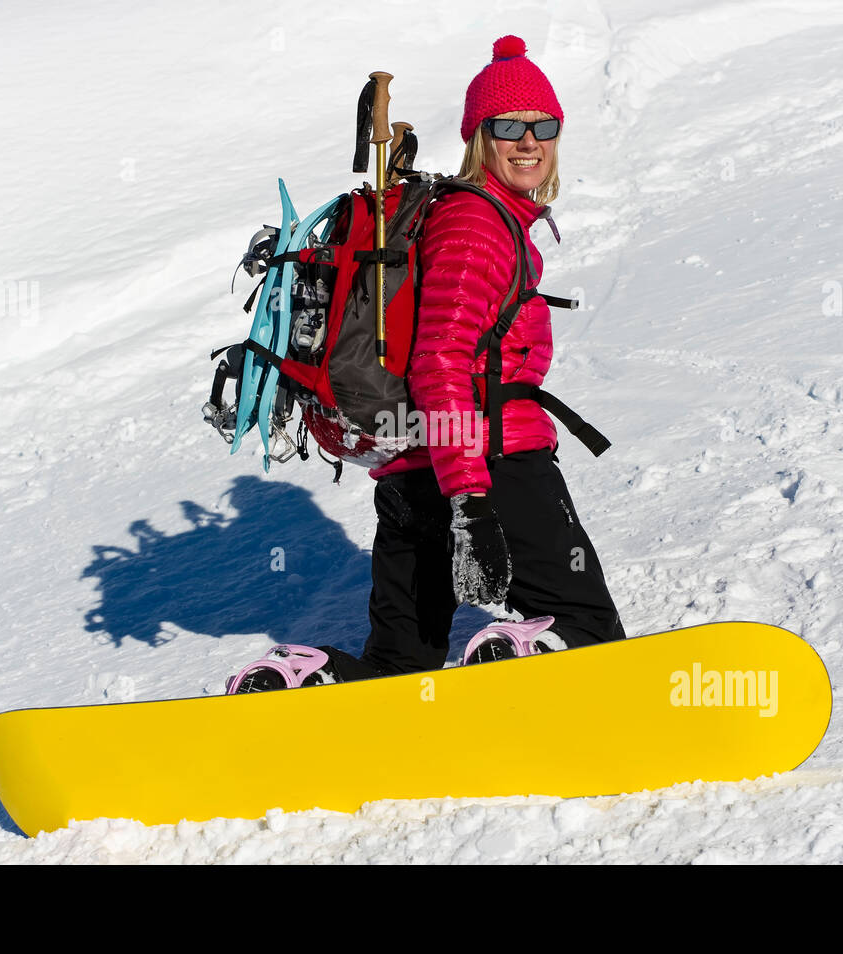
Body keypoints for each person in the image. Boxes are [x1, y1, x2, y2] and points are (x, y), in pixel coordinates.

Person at [227, 35, 625, 693]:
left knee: (398, 668)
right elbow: (442, 360)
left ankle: (307, 689)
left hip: (413, 468)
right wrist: (471, 502)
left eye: (543, 126)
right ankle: (526, 661)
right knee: (587, 634)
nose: (528, 141)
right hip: (489, 463)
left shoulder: (474, 218)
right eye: (507, 127)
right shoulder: (476, 224)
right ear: (478, 138)